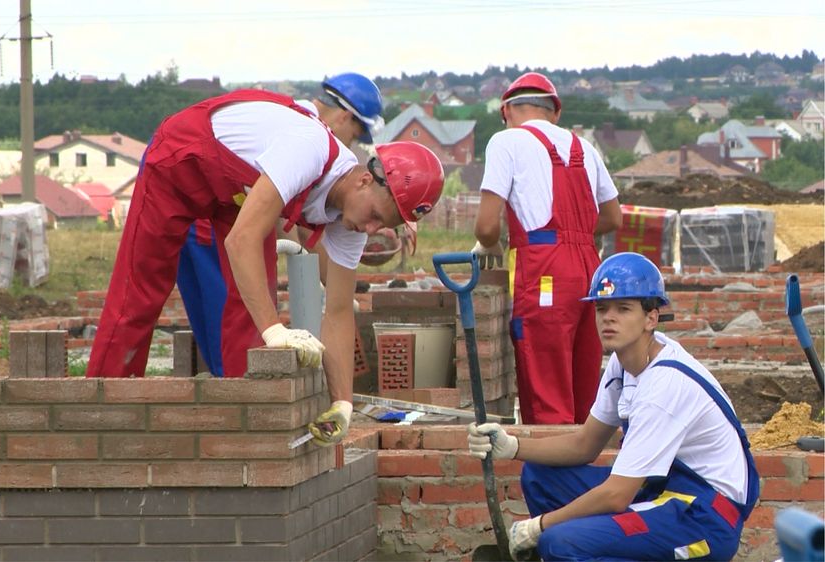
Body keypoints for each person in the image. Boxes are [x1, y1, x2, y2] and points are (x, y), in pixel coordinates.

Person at [86, 86, 444, 447]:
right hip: (180, 161)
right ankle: (97, 423)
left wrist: (342, 403)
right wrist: (276, 330)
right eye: (375, 216)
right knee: (140, 295)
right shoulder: (308, 149)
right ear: (366, 179)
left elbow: (337, 312)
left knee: (250, 309)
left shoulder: (351, 223)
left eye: (383, 226)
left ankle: (247, 437)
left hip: (234, 191)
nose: (371, 230)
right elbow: (240, 241)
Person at [467, 252, 759, 561]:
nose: (608, 318)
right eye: (601, 308)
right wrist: (512, 446)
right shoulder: (623, 365)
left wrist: (539, 527)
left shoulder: (664, 385)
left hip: (703, 521)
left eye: (623, 309)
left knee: (560, 543)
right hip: (662, 494)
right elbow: (585, 444)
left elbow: (618, 495)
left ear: (651, 317)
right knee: (539, 476)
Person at [175, 72, 386, 377]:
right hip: (216, 218)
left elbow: (305, 222)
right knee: (234, 324)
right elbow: (287, 221)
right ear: (343, 117)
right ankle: (233, 406)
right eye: (355, 135)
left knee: (234, 326)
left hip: (229, 217)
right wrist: (309, 275)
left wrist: (336, 290)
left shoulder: (314, 134)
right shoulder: (306, 133)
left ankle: (230, 401)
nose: (351, 147)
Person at [472, 71, 622, 424]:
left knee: (546, 391)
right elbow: (613, 217)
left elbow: (486, 225)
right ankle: (587, 472)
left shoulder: (506, 142)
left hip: (542, 267)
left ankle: (552, 476)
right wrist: (578, 235)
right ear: (555, 112)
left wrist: (489, 245)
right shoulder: (584, 147)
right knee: (584, 391)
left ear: (506, 111)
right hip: (589, 266)